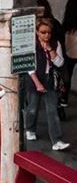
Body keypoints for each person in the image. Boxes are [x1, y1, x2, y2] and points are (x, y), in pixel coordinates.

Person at [24, 17, 67, 150]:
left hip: (50, 79)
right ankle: (30, 129)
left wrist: (51, 51)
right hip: (34, 78)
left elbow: (60, 63)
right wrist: (37, 83)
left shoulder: (55, 44)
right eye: (43, 32)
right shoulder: (32, 45)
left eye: (48, 32)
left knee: (52, 110)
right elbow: (29, 66)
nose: (46, 35)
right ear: (37, 32)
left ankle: (56, 140)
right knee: (32, 108)